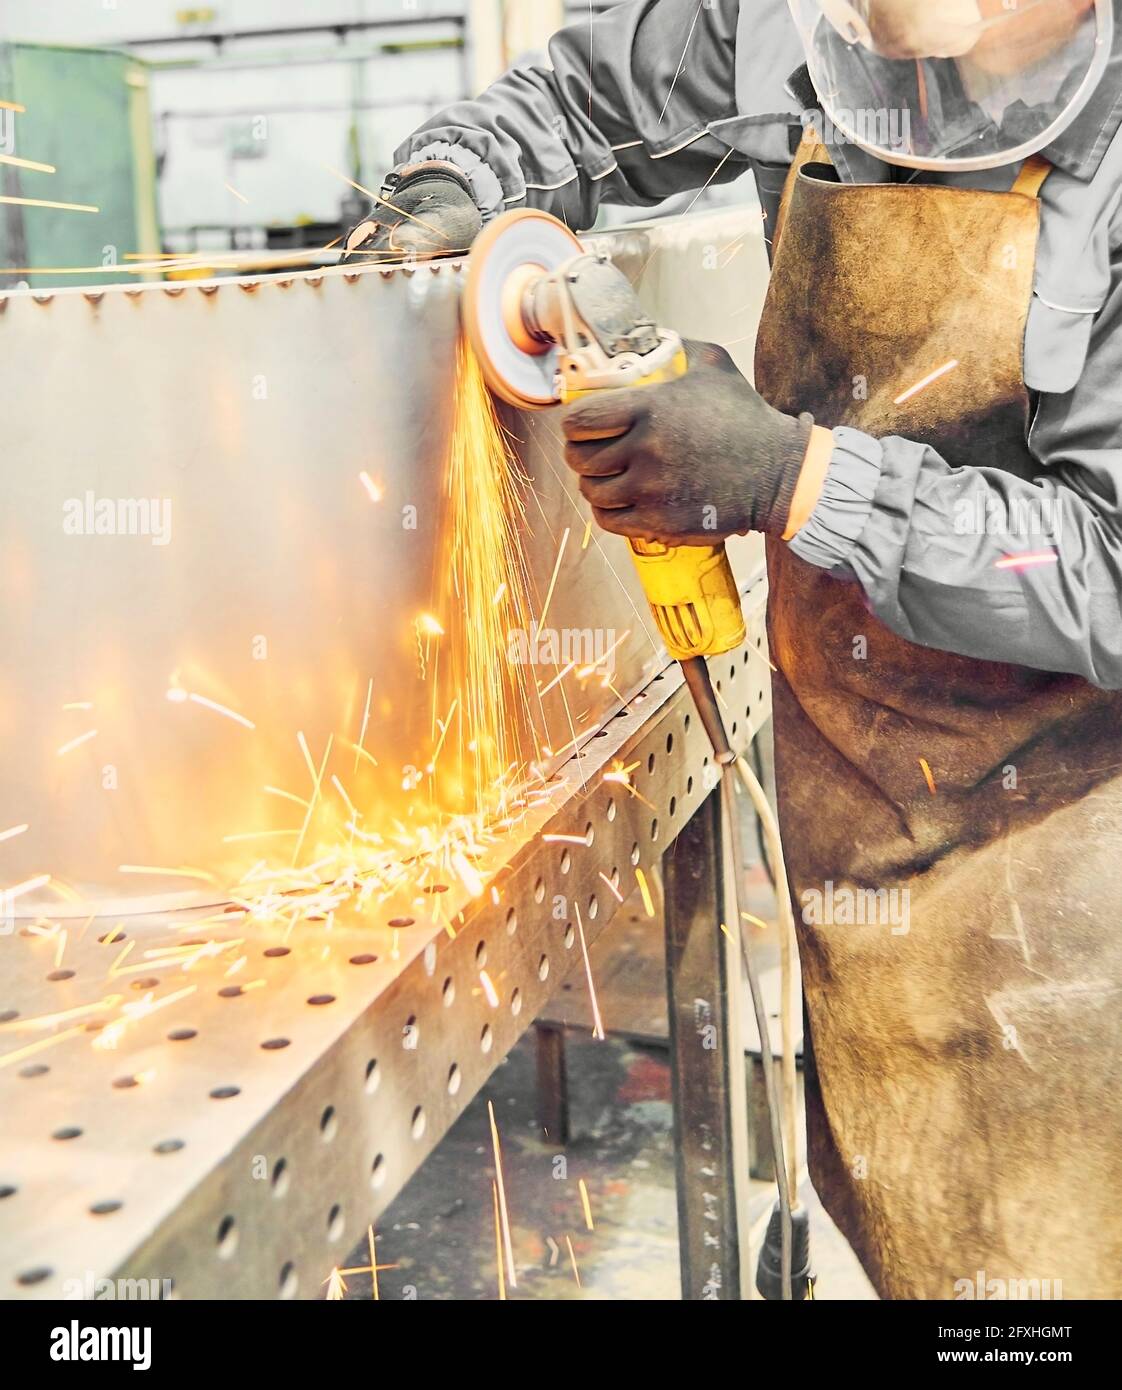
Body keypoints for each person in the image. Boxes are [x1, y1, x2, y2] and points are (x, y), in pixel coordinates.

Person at [348, 0, 1122, 1299]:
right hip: (848, 801)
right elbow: (583, 103)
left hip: (1064, 869)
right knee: (897, 1210)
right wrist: (451, 185)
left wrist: (795, 478)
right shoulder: (783, 21)